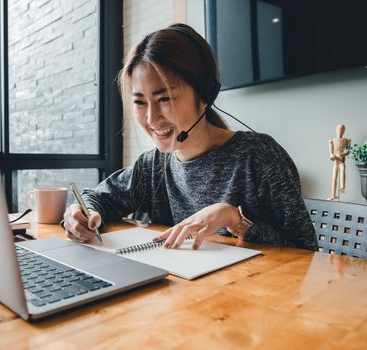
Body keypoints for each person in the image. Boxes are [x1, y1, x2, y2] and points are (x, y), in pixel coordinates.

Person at [62, 23, 318, 251]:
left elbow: (307, 251)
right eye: (140, 102)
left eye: (165, 99)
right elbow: (99, 197)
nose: (151, 119)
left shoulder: (258, 156)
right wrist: (82, 213)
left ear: (205, 93)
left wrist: (235, 220)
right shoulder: (152, 166)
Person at [328, 124, 350, 201]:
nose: (340, 131)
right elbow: (331, 153)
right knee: (334, 177)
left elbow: (348, 151)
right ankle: (333, 195)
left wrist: (342, 154)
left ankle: (342, 187)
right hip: (336, 161)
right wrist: (332, 156)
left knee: (343, 170)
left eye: (342, 129)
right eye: (339, 129)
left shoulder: (346, 140)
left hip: (342, 160)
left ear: (344, 131)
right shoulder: (332, 140)